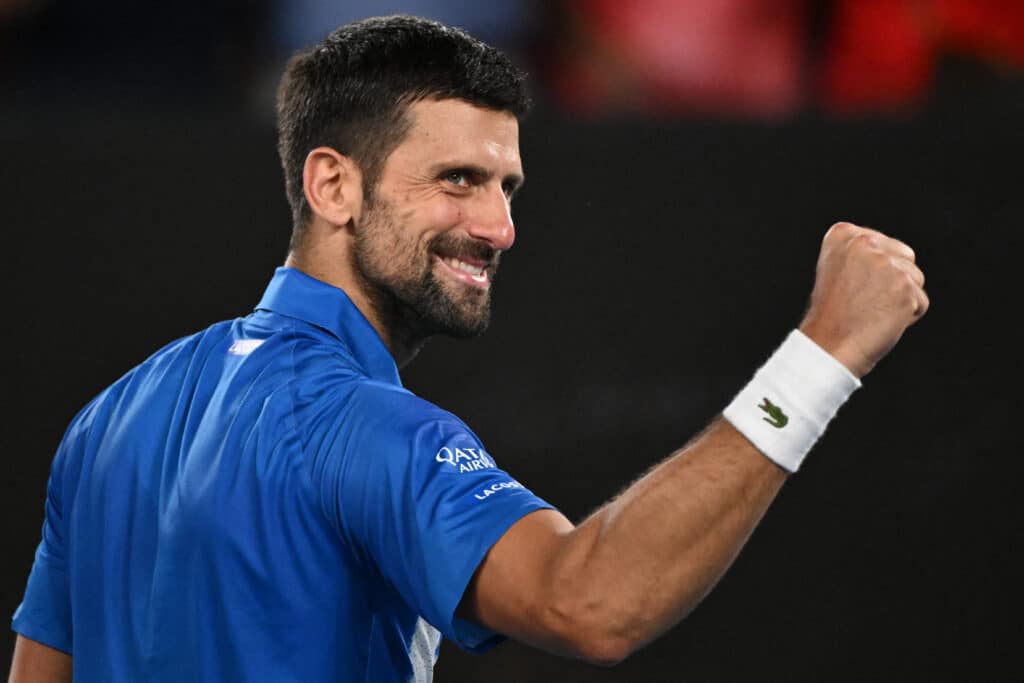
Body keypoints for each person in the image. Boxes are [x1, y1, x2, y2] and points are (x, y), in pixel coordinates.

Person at [8, 15, 929, 683]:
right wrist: (823, 353)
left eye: (507, 186)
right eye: (458, 180)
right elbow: (590, 601)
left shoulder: (108, 419)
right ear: (331, 184)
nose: (499, 225)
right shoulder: (363, 427)